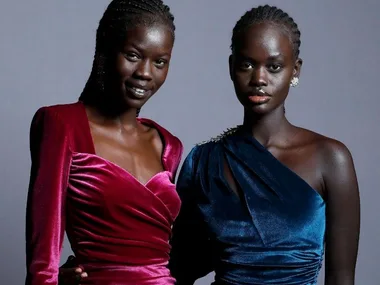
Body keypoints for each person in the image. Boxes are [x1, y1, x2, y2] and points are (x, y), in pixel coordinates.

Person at [59, 5, 360, 285]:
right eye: (247, 64)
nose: (259, 78)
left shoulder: (331, 159)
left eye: (274, 67)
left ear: (295, 71)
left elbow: (342, 278)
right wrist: (94, 271)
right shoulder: (204, 163)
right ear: (231, 68)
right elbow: (172, 268)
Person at [25, 1, 183, 285]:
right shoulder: (62, 125)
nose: (145, 73)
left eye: (160, 61)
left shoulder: (168, 144)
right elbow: (43, 261)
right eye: (133, 55)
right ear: (107, 50)